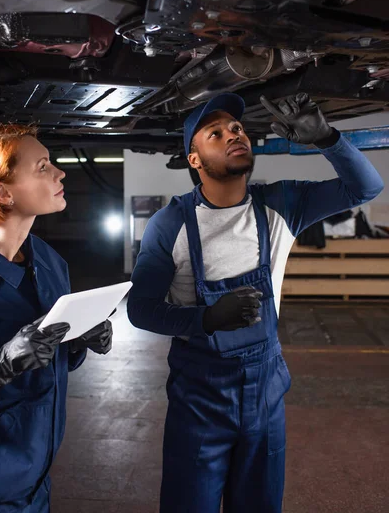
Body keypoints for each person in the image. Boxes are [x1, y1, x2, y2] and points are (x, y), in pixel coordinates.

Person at [127, 92, 384, 513]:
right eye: (216, 133)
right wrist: (206, 318)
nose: (233, 135)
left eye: (237, 129)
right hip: (200, 402)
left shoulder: (281, 204)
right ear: (194, 160)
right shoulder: (171, 223)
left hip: (265, 395)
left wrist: (327, 139)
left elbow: (367, 188)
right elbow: (140, 309)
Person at [0, 124, 113, 513]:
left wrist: (76, 341)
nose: (60, 173)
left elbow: (48, 363)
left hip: (36, 478)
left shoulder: (49, 262)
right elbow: (11, 365)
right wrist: (0, 367)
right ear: (3, 192)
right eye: (43, 166)